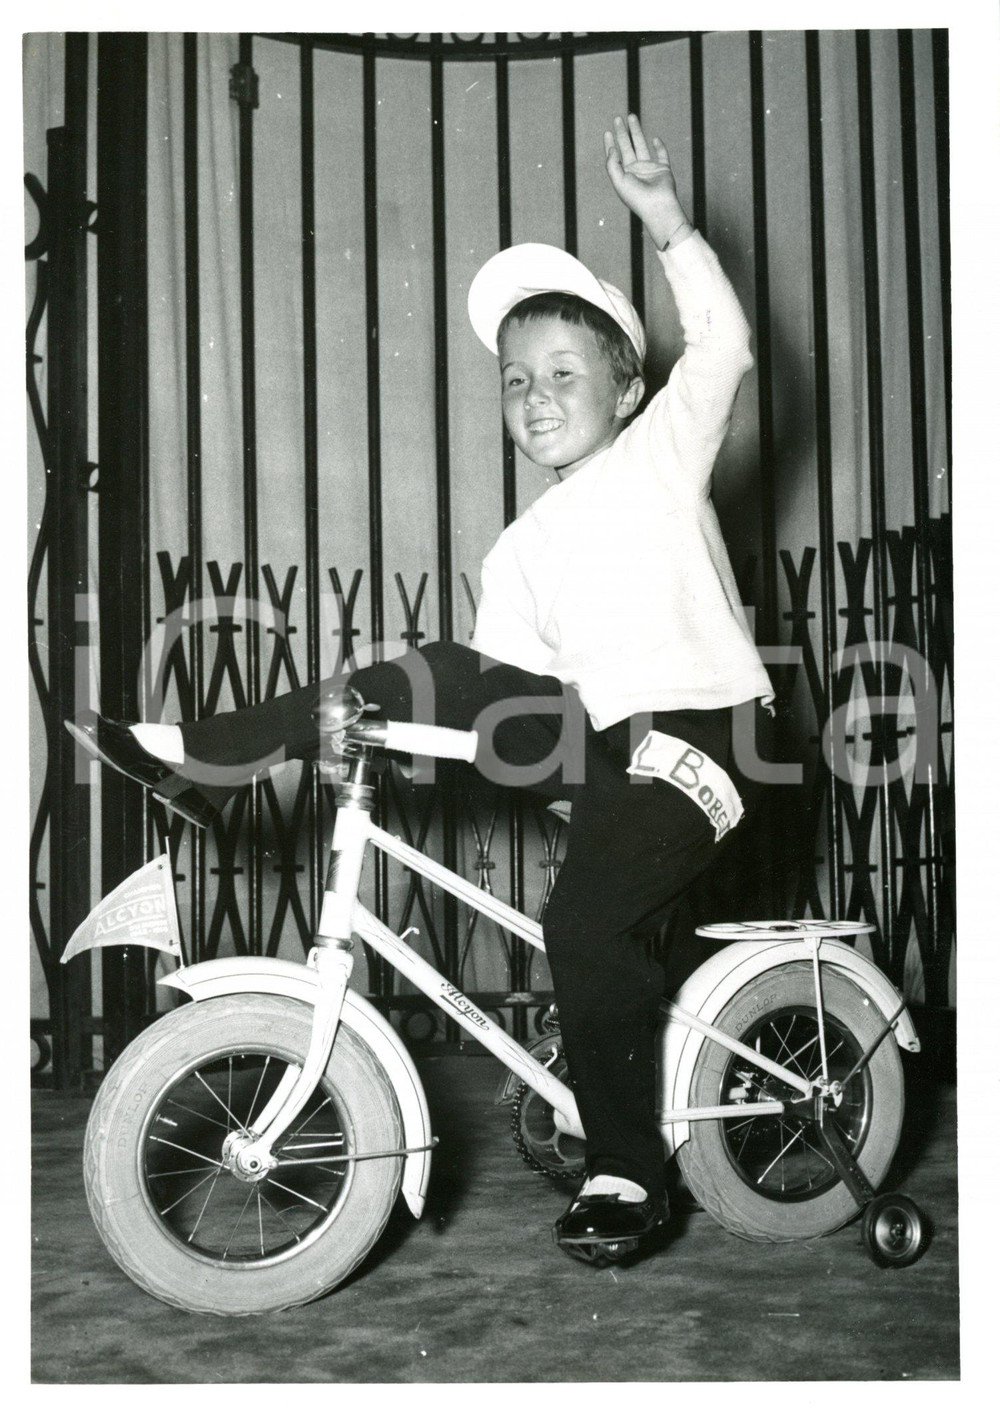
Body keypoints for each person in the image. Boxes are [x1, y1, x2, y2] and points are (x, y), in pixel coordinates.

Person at [68, 114, 774, 1265]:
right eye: (514, 383)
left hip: (706, 737)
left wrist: (668, 223)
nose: (537, 399)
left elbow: (729, 347)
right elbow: (502, 704)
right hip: (605, 748)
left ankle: (626, 1178)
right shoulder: (518, 552)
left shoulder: (661, 454)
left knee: (582, 922)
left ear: (629, 388)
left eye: (564, 374)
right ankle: (207, 757)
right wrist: (386, 734)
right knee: (440, 667)